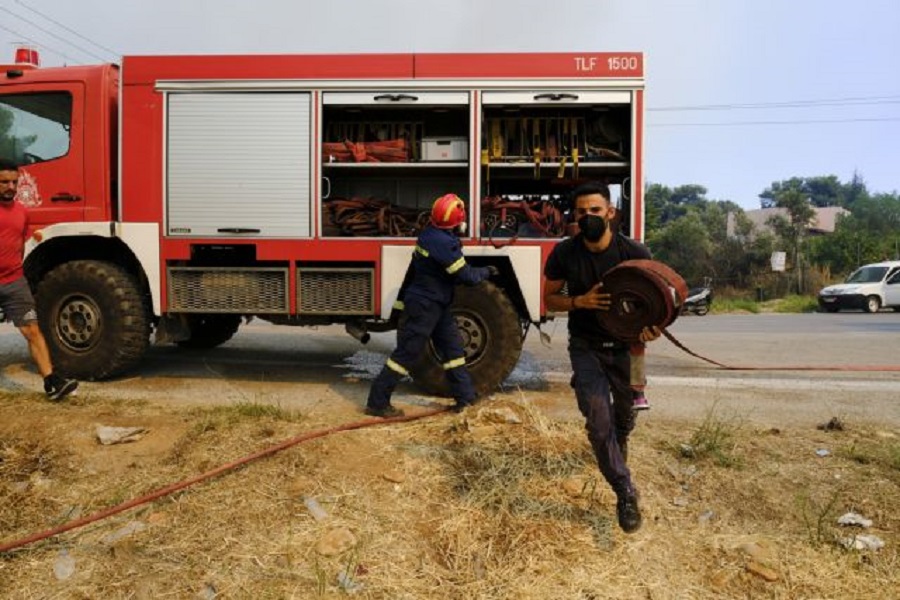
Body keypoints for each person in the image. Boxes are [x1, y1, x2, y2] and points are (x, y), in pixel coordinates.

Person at [543, 182, 661, 533]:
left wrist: (651, 327)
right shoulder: (565, 253)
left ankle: (620, 437)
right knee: (598, 422)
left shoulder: (635, 251)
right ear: (575, 217)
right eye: (582, 212)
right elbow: (550, 299)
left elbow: (656, 303)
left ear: (610, 212)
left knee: (626, 414)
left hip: (630, 349)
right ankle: (625, 491)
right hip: (586, 347)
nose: (588, 217)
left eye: (595, 210)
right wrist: (579, 301)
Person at [365, 193, 496, 418]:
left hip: (436, 304)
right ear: (457, 223)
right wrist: (487, 271)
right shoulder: (444, 243)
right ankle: (377, 402)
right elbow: (465, 276)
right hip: (426, 306)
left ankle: (465, 398)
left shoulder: (429, 234)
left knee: (453, 349)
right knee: (406, 354)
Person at [0, 159, 78, 401]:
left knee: (33, 329)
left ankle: (52, 382)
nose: (10, 186)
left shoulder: (22, 212)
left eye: (14, 181)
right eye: (4, 181)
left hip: (14, 282)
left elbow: (20, 245)